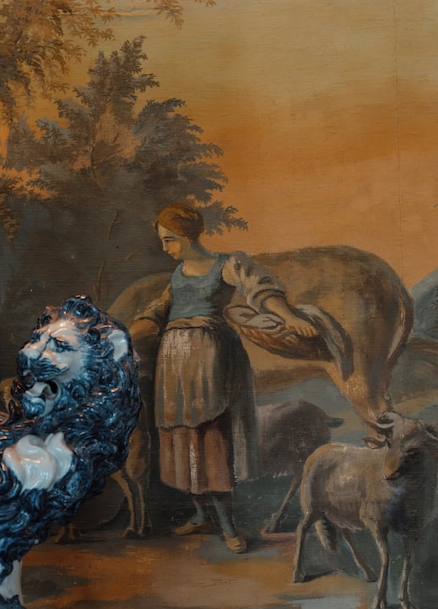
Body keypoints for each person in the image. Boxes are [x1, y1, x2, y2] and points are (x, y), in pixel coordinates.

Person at [129, 204, 315, 553]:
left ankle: (229, 527)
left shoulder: (227, 264)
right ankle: (202, 515)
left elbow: (260, 288)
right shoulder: (178, 274)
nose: (165, 248)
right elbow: (157, 310)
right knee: (181, 439)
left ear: (187, 237)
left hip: (210, 361)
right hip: (174, 365)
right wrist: (122, 335)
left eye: (169, 240)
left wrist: (288, 316)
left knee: (211, 441)